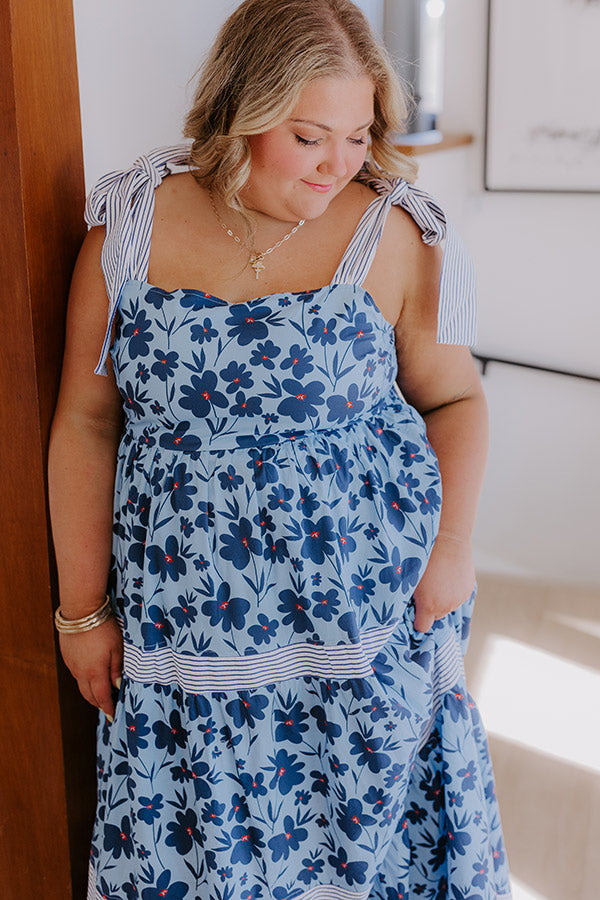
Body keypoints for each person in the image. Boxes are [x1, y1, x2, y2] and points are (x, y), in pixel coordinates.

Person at [48, 1, 512, 898]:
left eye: (359, 134)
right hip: (184, 627)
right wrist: (81, 612)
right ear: (241, 110)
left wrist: (452, 553)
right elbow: (87, 421)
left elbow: (457, 398)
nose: (340, 163)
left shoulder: (396, 234)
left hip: (362, 618)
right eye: (310, 136)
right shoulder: (128, 229)